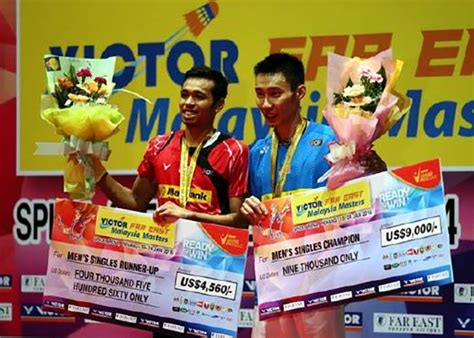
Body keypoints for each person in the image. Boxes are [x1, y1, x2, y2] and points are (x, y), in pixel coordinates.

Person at [240, 53, 386, 338]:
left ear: (300, 93)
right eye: (259, 94)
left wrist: (375, 167)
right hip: (273, 279)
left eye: (275, 94)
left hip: (320, 279)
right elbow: (252, 213)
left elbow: (370, 194)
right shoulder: (256, 151)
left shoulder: (333, 140)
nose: (266, 104)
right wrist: (249, 206)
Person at [93, 65, 249, 228]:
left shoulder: (234, 151)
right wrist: (95, 166)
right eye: (184, 95)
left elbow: (240, 221)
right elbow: (135, 202)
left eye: (199, 97)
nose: (188, 103)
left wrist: (189, 215)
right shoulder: (159, 145)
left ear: (218, 105)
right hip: (165, 250)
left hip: (213, 250)